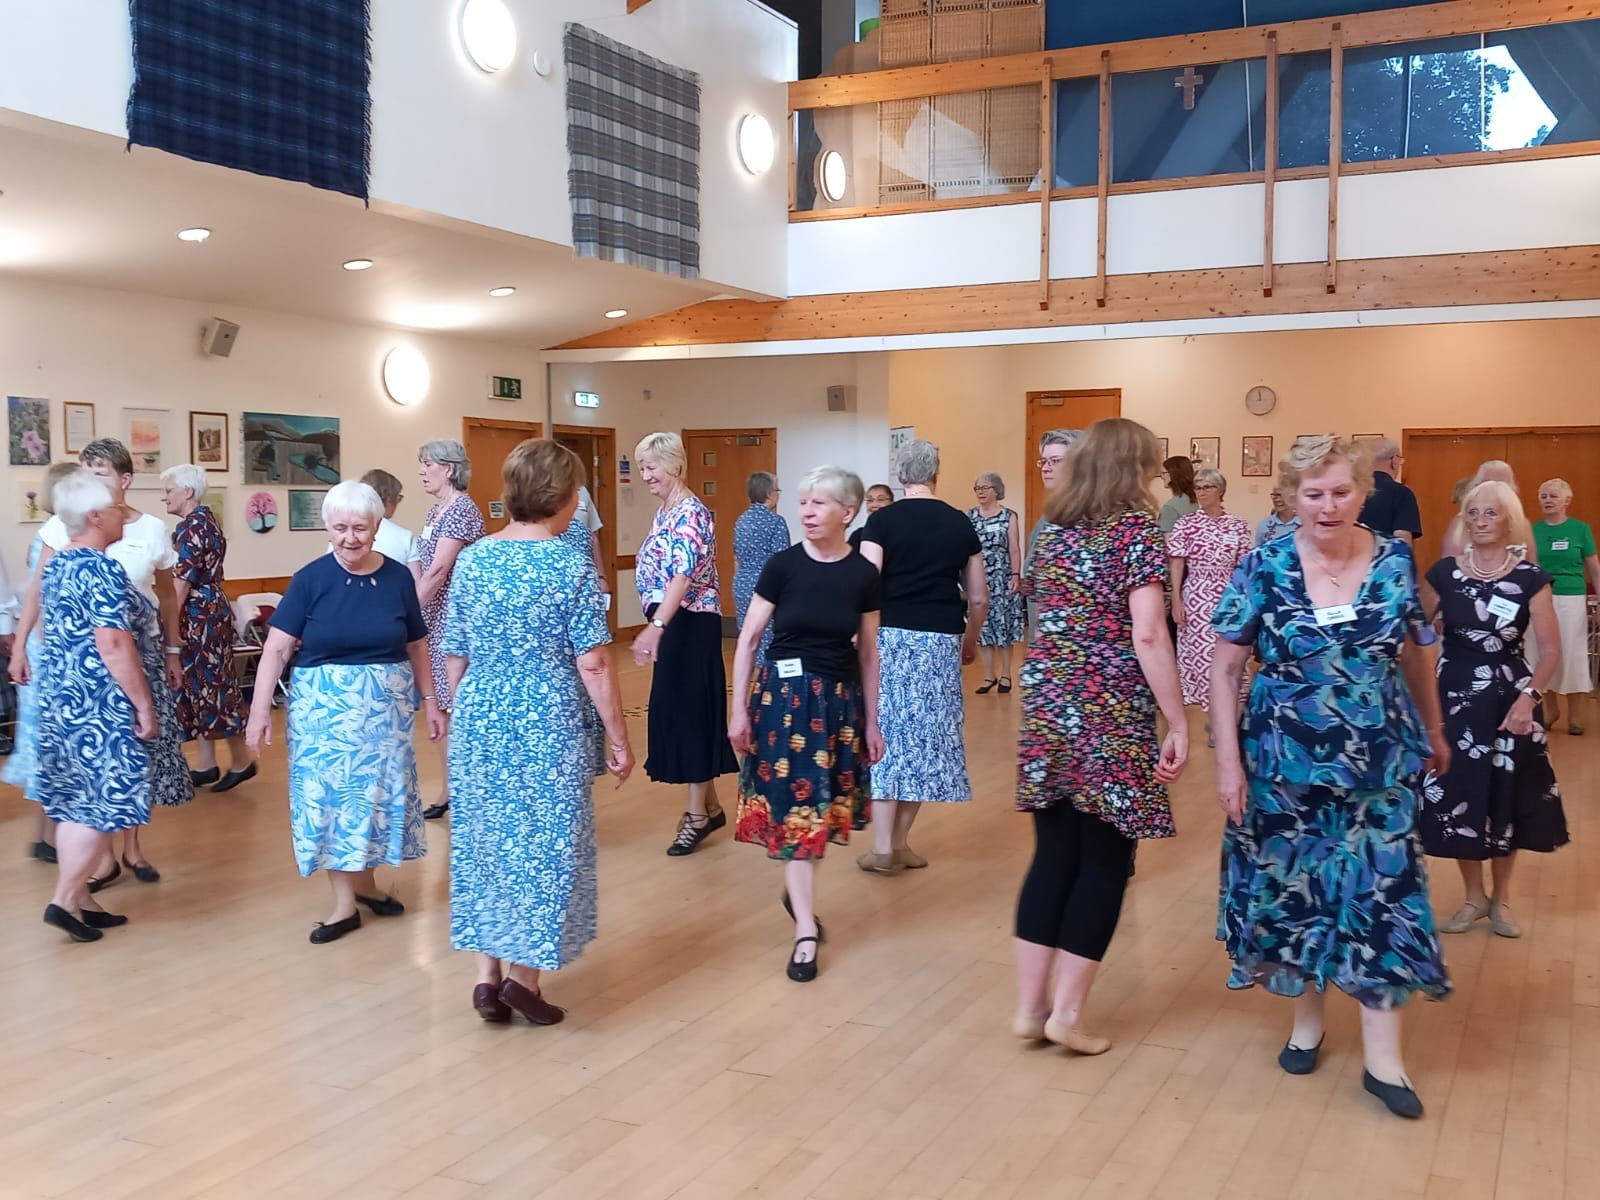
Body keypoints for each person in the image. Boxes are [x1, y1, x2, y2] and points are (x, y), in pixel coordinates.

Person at [1211, 435, 1451, 1120]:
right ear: (1292, 497)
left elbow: (1417, 653)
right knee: (1298, 889)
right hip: (1282, 762)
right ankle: (1307, 1023)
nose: (1327, 505)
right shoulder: (1264, 564)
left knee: (1385, 892)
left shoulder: (1395, 560)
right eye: (1312, 493)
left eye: (1341, 491)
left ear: (1363, 493)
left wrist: (1434, 729)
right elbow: (1225, 669)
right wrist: (1227, 763)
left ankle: (1384, 1059)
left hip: (1380, 757)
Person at [443, 440, 633, 1025]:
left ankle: (486, 978)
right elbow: (594, 664)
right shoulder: (569, 565)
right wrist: (620, 738)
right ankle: (523, 980)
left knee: (486, 842)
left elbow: (454, 653)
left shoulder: (474, 559)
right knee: (545, 843)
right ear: (563, 497)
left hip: (480, 712)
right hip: (547, 714)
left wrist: (461, 717)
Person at [1013, 419, 1188, 1054]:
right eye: (1150, 465)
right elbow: (1148, 632)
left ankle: (1030, 1010)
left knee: (1053, 854)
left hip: (1047, 702)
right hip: (1108, 709)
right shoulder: (1135, 529)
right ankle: (1067, 1015)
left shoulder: (1054, 527)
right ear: (1132, 466)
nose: (1154, 475)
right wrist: (1177, 719)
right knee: (1105, 859)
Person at [245, 482, 445, 944]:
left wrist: (432, 700)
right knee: (332, 803)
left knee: (372, 801)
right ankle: (344, 904)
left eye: (360, 528)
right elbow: (276, 649)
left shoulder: (398, 578)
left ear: (377, 527)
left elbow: (417, 644)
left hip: (386, 715)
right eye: (340, 528)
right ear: (327, 528)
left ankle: (367, 885)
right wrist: (257, 712)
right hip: (325, 716)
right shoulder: (310, 579)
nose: (350, 538)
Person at [13, 439, 192, 885]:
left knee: (138, 752)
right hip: (92, 661)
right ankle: (102, 858)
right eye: (87, 471)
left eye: (101, 472)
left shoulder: (151, 529)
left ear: (125, 479)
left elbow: (167, 596)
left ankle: (132, 848)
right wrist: (19, 647)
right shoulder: (67, 525)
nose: (91, 478)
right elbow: (38, 590)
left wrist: (173, 650)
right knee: (103, 758)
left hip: (140, 653)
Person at [729, 466, 883, 982]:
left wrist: (873, 722)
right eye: (803, 503)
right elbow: (749, 639)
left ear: (848, 512)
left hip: (837, 705)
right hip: (782, 704)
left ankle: (797, 892)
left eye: (819, 504)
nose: (807, 513)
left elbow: (869, 654)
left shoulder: (862, 575)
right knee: (797, 813)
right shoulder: (783, 566)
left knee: (818, 812)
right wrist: (738, 710)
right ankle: (805, 932)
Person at [1421, 480, 1568, 940]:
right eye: (1473, 512)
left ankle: (1500, 899)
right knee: (1460, 792)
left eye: (1491, 513)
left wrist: (1530, 699)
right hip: (1454, 697)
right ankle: (1473, 897)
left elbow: (1550, 650)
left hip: (1511, 701)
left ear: (1509, 521)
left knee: (1508, 794)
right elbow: (1415, 634)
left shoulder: (1530, 578)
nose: (1480, 521)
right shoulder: (1444, 574)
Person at [33, 472, 156, 942]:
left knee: (74, 802)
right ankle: (64, 900)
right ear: (95, 516)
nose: (124, 514)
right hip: (97, 704)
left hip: (60, 700)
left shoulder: (58, 564)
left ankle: (82, 898)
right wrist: (143, 705)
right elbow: (113, 644)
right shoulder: (101, 569)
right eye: (116, 508)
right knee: (98, 803)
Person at [856, 438, 986, 874]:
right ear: (936, 475)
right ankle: (900, 842)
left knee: (886, 736)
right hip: (941, 641)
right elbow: (979, 598)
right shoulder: (960, 524)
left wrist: (855, 636)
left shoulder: (881, 522)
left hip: (890, 639)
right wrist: (970, 641)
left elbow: (865, 584)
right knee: (927, 741)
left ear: (900, 476)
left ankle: (882, 847)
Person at [630, 431, 739, 855]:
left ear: (674, 465)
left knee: (690, 714)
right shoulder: (666, 511)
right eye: (641, 468)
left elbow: (682, 574)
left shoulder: (691, 513)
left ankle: (696, 815)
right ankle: (708, 807)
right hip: (674, 623)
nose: (645, 475)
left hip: (688, 624)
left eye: (651, 467)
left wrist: (658, 624)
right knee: (679, 711)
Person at [162, 463, 256, 792]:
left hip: (198, 615)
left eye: (169, 490)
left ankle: (242, 761)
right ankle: (206, 764)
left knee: (214, 688)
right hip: (209, 609)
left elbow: (181, 583)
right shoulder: (206, 520)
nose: (165, 497)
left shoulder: (192, 528)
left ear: (187, 491)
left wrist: (168, 624)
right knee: (201, 685)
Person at [6, 460, 81, 863]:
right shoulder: (55, 535)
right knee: (52, 745)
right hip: (49, 653)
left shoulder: (51, 532)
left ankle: (45, 836)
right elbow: (43, 603)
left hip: (43, 651)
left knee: (47, 745)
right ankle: (52, 836)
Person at [416, 439, 485, 820]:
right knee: (441, 706)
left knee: (457, 706)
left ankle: (469, 790)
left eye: (428, 464)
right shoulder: (435, 511)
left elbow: (439, 571)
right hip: (435, 620)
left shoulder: (462, 510)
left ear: (450, 468)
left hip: (456, 622)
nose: (422, 470)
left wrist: (406, 614)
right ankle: (451, 789)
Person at [1167, 468, 1252, 738]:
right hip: (1197, 595)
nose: (1201, 492)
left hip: (1229, 596)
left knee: (1230, 657)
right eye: (1198, 487)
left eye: (1207, 487)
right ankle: (1217, 719)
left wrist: (1245, 602)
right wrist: (1176, 600)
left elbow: (1244, 567)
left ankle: (1225, 719)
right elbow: (1177, 563)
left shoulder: (1237, 525)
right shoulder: (1186, 523)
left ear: (1220, 490)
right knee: (1204, 660)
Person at [1529, 478, 1599, 734]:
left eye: (1553, 496)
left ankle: (1576, 716)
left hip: (1571, 597)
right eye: (1544, 496)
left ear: (1567, 500)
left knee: (1571, 653)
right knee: (1540, 652)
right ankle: (1550, 710)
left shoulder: (1580, 529)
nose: (1548, 500)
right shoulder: (1533, 530)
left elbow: (1595, 569)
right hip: (1539, 597)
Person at [1020, 430, 1082, 637]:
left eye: (1055, 461)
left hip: (1069, 641)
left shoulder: (1081, 516)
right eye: (1043, 462)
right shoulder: (1050, 517)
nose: (1046, 468)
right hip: (1045, 640)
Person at [968, 471, 1024, 695]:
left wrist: (1016, 575)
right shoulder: (971, 516)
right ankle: (989, 675)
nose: (980, 492)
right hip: (979, 577)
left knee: (1004, 626)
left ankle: (1006, 675)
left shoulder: (1008, 516)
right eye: (977, 488)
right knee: (983, 628)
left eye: (985, 487)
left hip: (1002, 577)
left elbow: (1014, 549)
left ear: (996, 490)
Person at [732, 471, 790, 665]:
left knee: (748, 638)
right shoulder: (776, 522)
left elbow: (737, 557)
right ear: (769, 493)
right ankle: (765, 680)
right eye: (777, 490)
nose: (778, 495)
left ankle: (749, 677)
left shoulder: (741, 521)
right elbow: (782, 561)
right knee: (770, 640)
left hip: (742, 584)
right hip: (767, 586)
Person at [1440, 460, 1521, 561]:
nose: (1496, 489)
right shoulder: (1461, 522)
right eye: (1489, 484)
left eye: (1502, 485)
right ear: (1476, 486)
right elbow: (1449, 563)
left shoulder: (1519, 522)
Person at [358, 468, 422, 583]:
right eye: (398, 498)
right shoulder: (405, 537)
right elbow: (416, 586)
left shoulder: (343, 534)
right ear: (389, 500)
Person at [1355, 438, 1421, 544]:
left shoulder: (1352, 491)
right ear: (1394, 461)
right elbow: (1402, 537)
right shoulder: (1402, 493)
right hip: (1384, 553)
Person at [1157, 456, 1197, 537]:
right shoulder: (1195, 502)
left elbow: (1168, 540)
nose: (1162, 477)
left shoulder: (1170, 507)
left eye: (1164, 473)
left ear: (1174, 475)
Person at [848, 483, 894, 549]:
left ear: (892, 503)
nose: (874, 505)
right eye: (870, 500)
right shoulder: (858, 536)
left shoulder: (899, 532)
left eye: (880, 499)